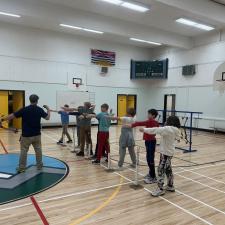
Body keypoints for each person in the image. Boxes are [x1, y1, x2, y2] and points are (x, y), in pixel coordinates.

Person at [0, 94, 50, 173]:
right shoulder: (39, 109)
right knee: (38, 150)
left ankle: (22, 168)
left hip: (26, 136)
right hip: (37, 135)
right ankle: (39, 166)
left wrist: (2, 119)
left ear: (30, 100)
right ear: (37, 101)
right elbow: (47, 118)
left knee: (24, 151)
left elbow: (12, 116)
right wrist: (48, 109)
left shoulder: (24, 109)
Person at [140, 115, 181, 197]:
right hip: (169, 153)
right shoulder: (176, 130)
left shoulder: (168, 129)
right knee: (168, 169)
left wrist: (144, 129)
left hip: (165, 154)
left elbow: (156, 130)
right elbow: (178, 138)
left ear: (170, 122)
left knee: (160, 170)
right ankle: (170, 185)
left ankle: (160, 189)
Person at [131, 109, 159, 184]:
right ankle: (151, 174)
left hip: (151, 142)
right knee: (148, 158)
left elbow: (139, 123)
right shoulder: (153, 122)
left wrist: (131, 125)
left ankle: (153, 177)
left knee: (150, 159)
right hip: (148, 141)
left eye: (149, 114)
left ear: (153, 115)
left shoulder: (151, 121)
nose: (148, 115)